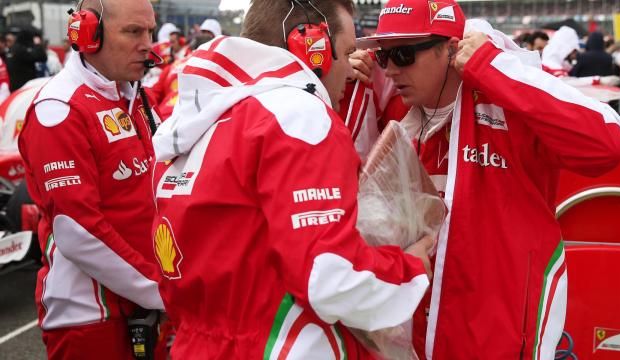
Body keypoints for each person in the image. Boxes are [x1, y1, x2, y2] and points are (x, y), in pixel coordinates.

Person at [151, 0, 432, 358]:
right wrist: (410, 268)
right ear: (309, 45)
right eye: (345, 52)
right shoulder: (297, 114)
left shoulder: (192, 121)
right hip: (281, 344)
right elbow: (329, 275)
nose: (350, 71)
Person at [356, 0, 620, 358]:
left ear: (451, 49)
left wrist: (492, 67)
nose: (390, 69)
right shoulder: (395, 105)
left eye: (404, 54)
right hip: (418, 333)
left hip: (495, 335)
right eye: (383, 56)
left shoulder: (508, 101)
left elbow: (608, 142)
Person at [18, 0, 164, 358]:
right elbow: (78, 231)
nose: (147, 44)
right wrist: (158, 289)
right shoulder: (59, 109)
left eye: (149, 31)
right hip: (91, 317)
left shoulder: (132, 96)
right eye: (133, 31)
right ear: (88, 35)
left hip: (145, 303)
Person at [5, 26, 47, 91]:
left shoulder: (14, 48)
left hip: (16, 87)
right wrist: (37, 44)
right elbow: (43, 57)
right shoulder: (21, 50)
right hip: (23, 88)